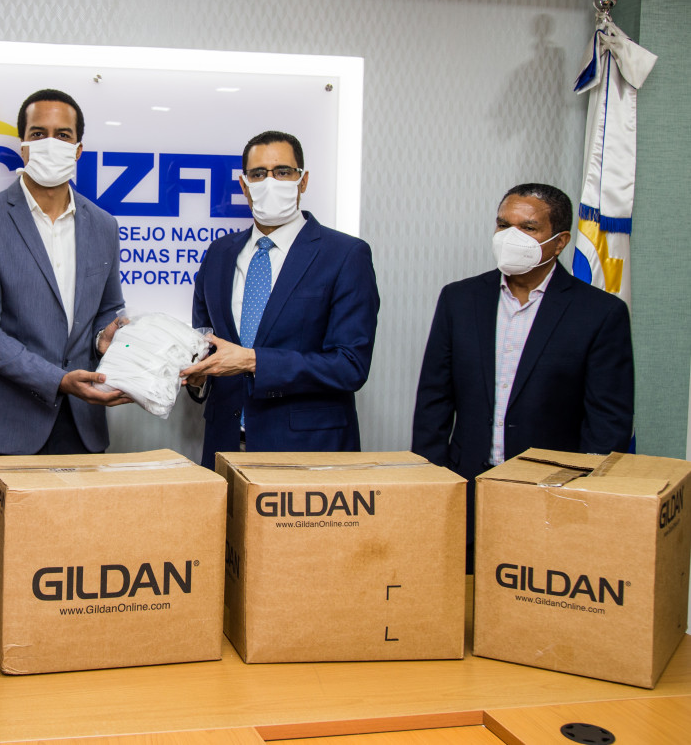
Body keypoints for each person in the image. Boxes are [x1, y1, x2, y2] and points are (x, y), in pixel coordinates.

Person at [411, 182, 634, 568]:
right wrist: (433, 481)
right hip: (466, 488)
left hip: (551, 498)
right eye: (503, 225)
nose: (510, 236)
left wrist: (579, 496)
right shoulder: (459, 299)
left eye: (528, 228)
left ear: (560, 241)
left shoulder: (600, 313)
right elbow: (434, 401)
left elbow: (607, 422)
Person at [0, 88, 128, 501]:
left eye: (63, 135)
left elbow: (108, 309)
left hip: (83, 427)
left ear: (79, 149)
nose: (51, 143)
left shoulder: (103, 225)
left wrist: (106, 337)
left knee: (80, 543)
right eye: (39, 133)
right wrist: (58, 380)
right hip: (6, 429)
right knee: (5, 546)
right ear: (24, 146)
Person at [183, 130, 379, 469]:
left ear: (303, 181)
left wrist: (253, 361)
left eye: (283, 172)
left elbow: (350, 365)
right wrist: (198, 376)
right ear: (244, 185)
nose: (270, 182)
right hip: (225, 447)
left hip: (307, 452)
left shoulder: (345, 255)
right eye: (259, 174)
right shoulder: (218, 254)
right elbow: (205, 344)